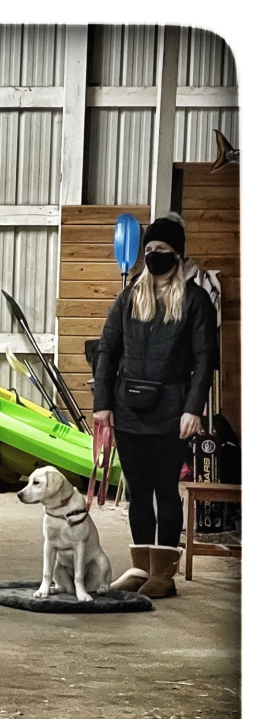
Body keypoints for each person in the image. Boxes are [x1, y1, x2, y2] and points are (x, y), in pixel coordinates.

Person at [93, 213, 218, 599]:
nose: (153, 255)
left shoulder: (196, 301)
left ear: (177, 254)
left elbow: (204, 359)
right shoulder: (130, 295)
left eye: (161, 249)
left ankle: (163, 574)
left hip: (172, 411)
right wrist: (102, 404)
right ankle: (141, 568)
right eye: (148, 249)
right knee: (137, 490)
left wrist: (193, 408)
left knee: (165, 490)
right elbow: (108, 350)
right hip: (128, 409)